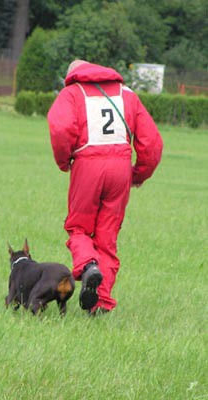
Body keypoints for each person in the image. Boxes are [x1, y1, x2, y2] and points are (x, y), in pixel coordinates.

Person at [47, 60, 163, 315]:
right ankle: (100, 303)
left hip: (87, 165)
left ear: (73, 76)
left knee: (78, 228)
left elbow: (60, 128)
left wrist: (63, 160)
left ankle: (89, 267)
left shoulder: (72, 93)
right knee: (107, 238)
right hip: (121, 168)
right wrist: (138, 174)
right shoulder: (128, 94)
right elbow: (152, 142)